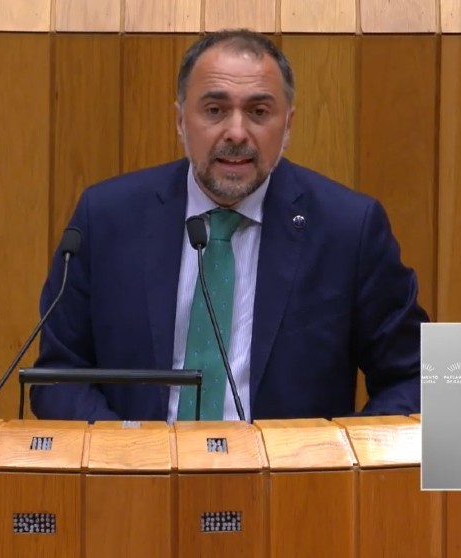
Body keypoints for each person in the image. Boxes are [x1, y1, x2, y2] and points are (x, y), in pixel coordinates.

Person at [29, 29, 429, 422]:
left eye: (259, 112)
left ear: (288, 125)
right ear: (180, 120)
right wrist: (127, 449)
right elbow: (58, 376)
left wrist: (338, 452)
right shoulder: (107, 217)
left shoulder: (348, 228)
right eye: (214, 110)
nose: (236, 133)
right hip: (138, 461)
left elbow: (418, 378)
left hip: (288, 466)